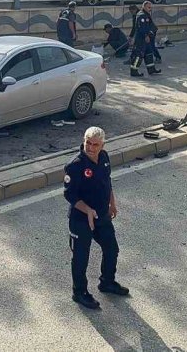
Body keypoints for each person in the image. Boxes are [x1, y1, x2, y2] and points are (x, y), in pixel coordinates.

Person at [64, 127, 128, 309]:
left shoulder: (104, 158)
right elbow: (70, 195)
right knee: (80, 258)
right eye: (88, 143)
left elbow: (107, 182)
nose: (90, 148)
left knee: (112, 249)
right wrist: (88, 210)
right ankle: (79, 292)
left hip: (102, 216)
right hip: (80, 220)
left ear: (102, 145)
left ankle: (107, 281)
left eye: (95, 144)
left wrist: (112, 203)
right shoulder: (75, 165)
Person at [130, 1, 160, 77]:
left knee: (149, 53)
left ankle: (151, 69)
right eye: (148, 7)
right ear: (144, 7)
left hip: (147, 39)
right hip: (141, 39)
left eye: (151, 7)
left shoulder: (146, 14)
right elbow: (142, 28)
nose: (150, 9)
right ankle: (134, 71)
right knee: (139, 55)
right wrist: (146, 36)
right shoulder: (142, 15)